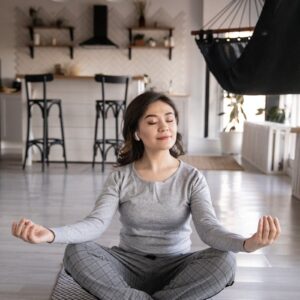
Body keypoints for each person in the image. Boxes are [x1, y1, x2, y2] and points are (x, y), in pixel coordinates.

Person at [12, 91, 281, 300]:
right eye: (152, 121)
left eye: (169, 119)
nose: (164, 126)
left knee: (225, 260)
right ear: (137, 133)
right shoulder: (120, 177)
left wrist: (246, 243)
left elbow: (209, 229)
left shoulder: (192, 177)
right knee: (76, 252)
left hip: (177, 267)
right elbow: (95, 224)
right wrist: (50, 234)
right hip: (126, 266)